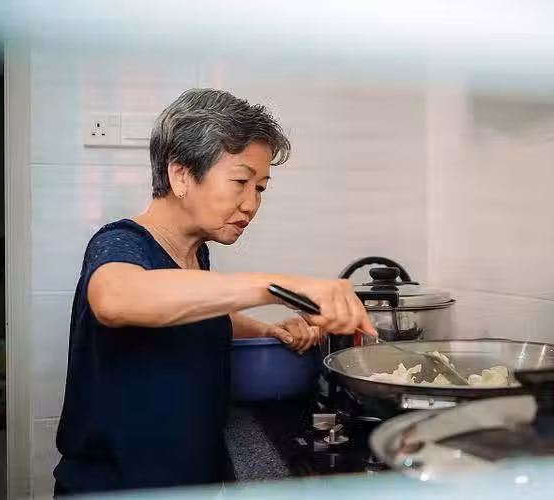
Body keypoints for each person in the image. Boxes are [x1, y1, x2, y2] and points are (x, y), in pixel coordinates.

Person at [53, 88, 376, 495]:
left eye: (260, 188)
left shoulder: (195, 253)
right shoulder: (120, 242)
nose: (251, 204)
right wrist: (279, 287)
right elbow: (115, 300)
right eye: (240, 181)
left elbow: (193, 314)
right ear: (181, 175)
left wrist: (265, 331)